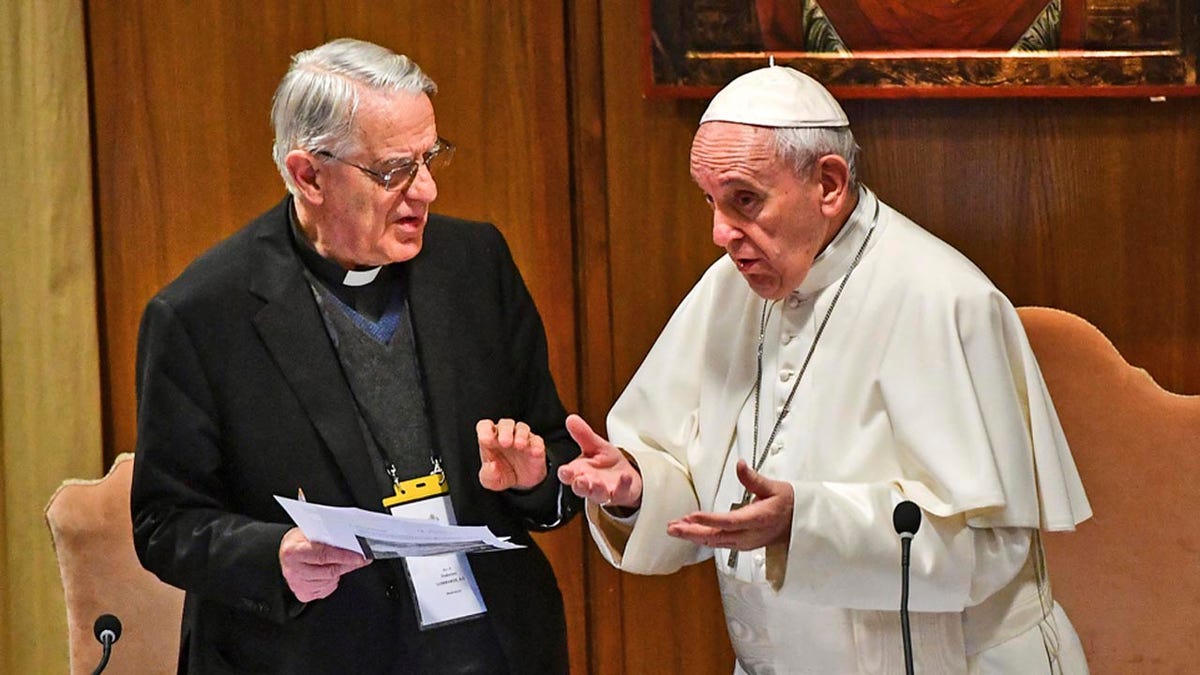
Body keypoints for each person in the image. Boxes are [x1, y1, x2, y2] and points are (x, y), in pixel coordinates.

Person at [558, 65, 1092, 673]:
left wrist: (804, 526)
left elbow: (991, 545)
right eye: (710, 200)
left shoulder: (943, 299)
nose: (719, 233)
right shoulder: (729, 291)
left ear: (829, 184)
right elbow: (688, 470)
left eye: (745, 199)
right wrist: (635, 487)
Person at [131, 38, 580, 674]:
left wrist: (536, 476)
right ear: (309, 174)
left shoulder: (475, 265)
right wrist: (275, 554)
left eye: (430, 158)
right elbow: (163, 523)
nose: (424, 190)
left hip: (491, 647)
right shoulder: (202, 315)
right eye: (394, 170)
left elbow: (555, 450)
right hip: (315, 651)